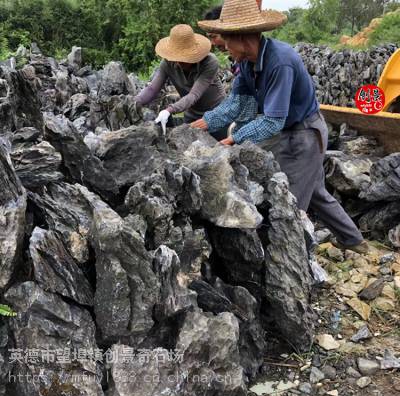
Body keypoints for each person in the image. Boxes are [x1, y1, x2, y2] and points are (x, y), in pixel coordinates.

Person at [192, 0, 368, 254]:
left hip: (305, 133)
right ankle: (353, 240)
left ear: (240, 37)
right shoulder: (245, 62)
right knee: (315, 190)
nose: (224, 47)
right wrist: (206, 122)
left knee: (290, 202)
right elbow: (237, 105)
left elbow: (272, 119)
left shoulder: (280, 62)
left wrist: (235, 138)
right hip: (287, 130)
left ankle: (291, 264)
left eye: (226, 41)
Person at [134, 24, 227, 140]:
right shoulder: (168, 63)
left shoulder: (209, 62)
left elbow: (194, 95)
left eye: (183, 58)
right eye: (176, 57)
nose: (178, 62)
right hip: (192, 116)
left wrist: (169, 110)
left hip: (217, 114)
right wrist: (134, 102)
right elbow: (152, 89)